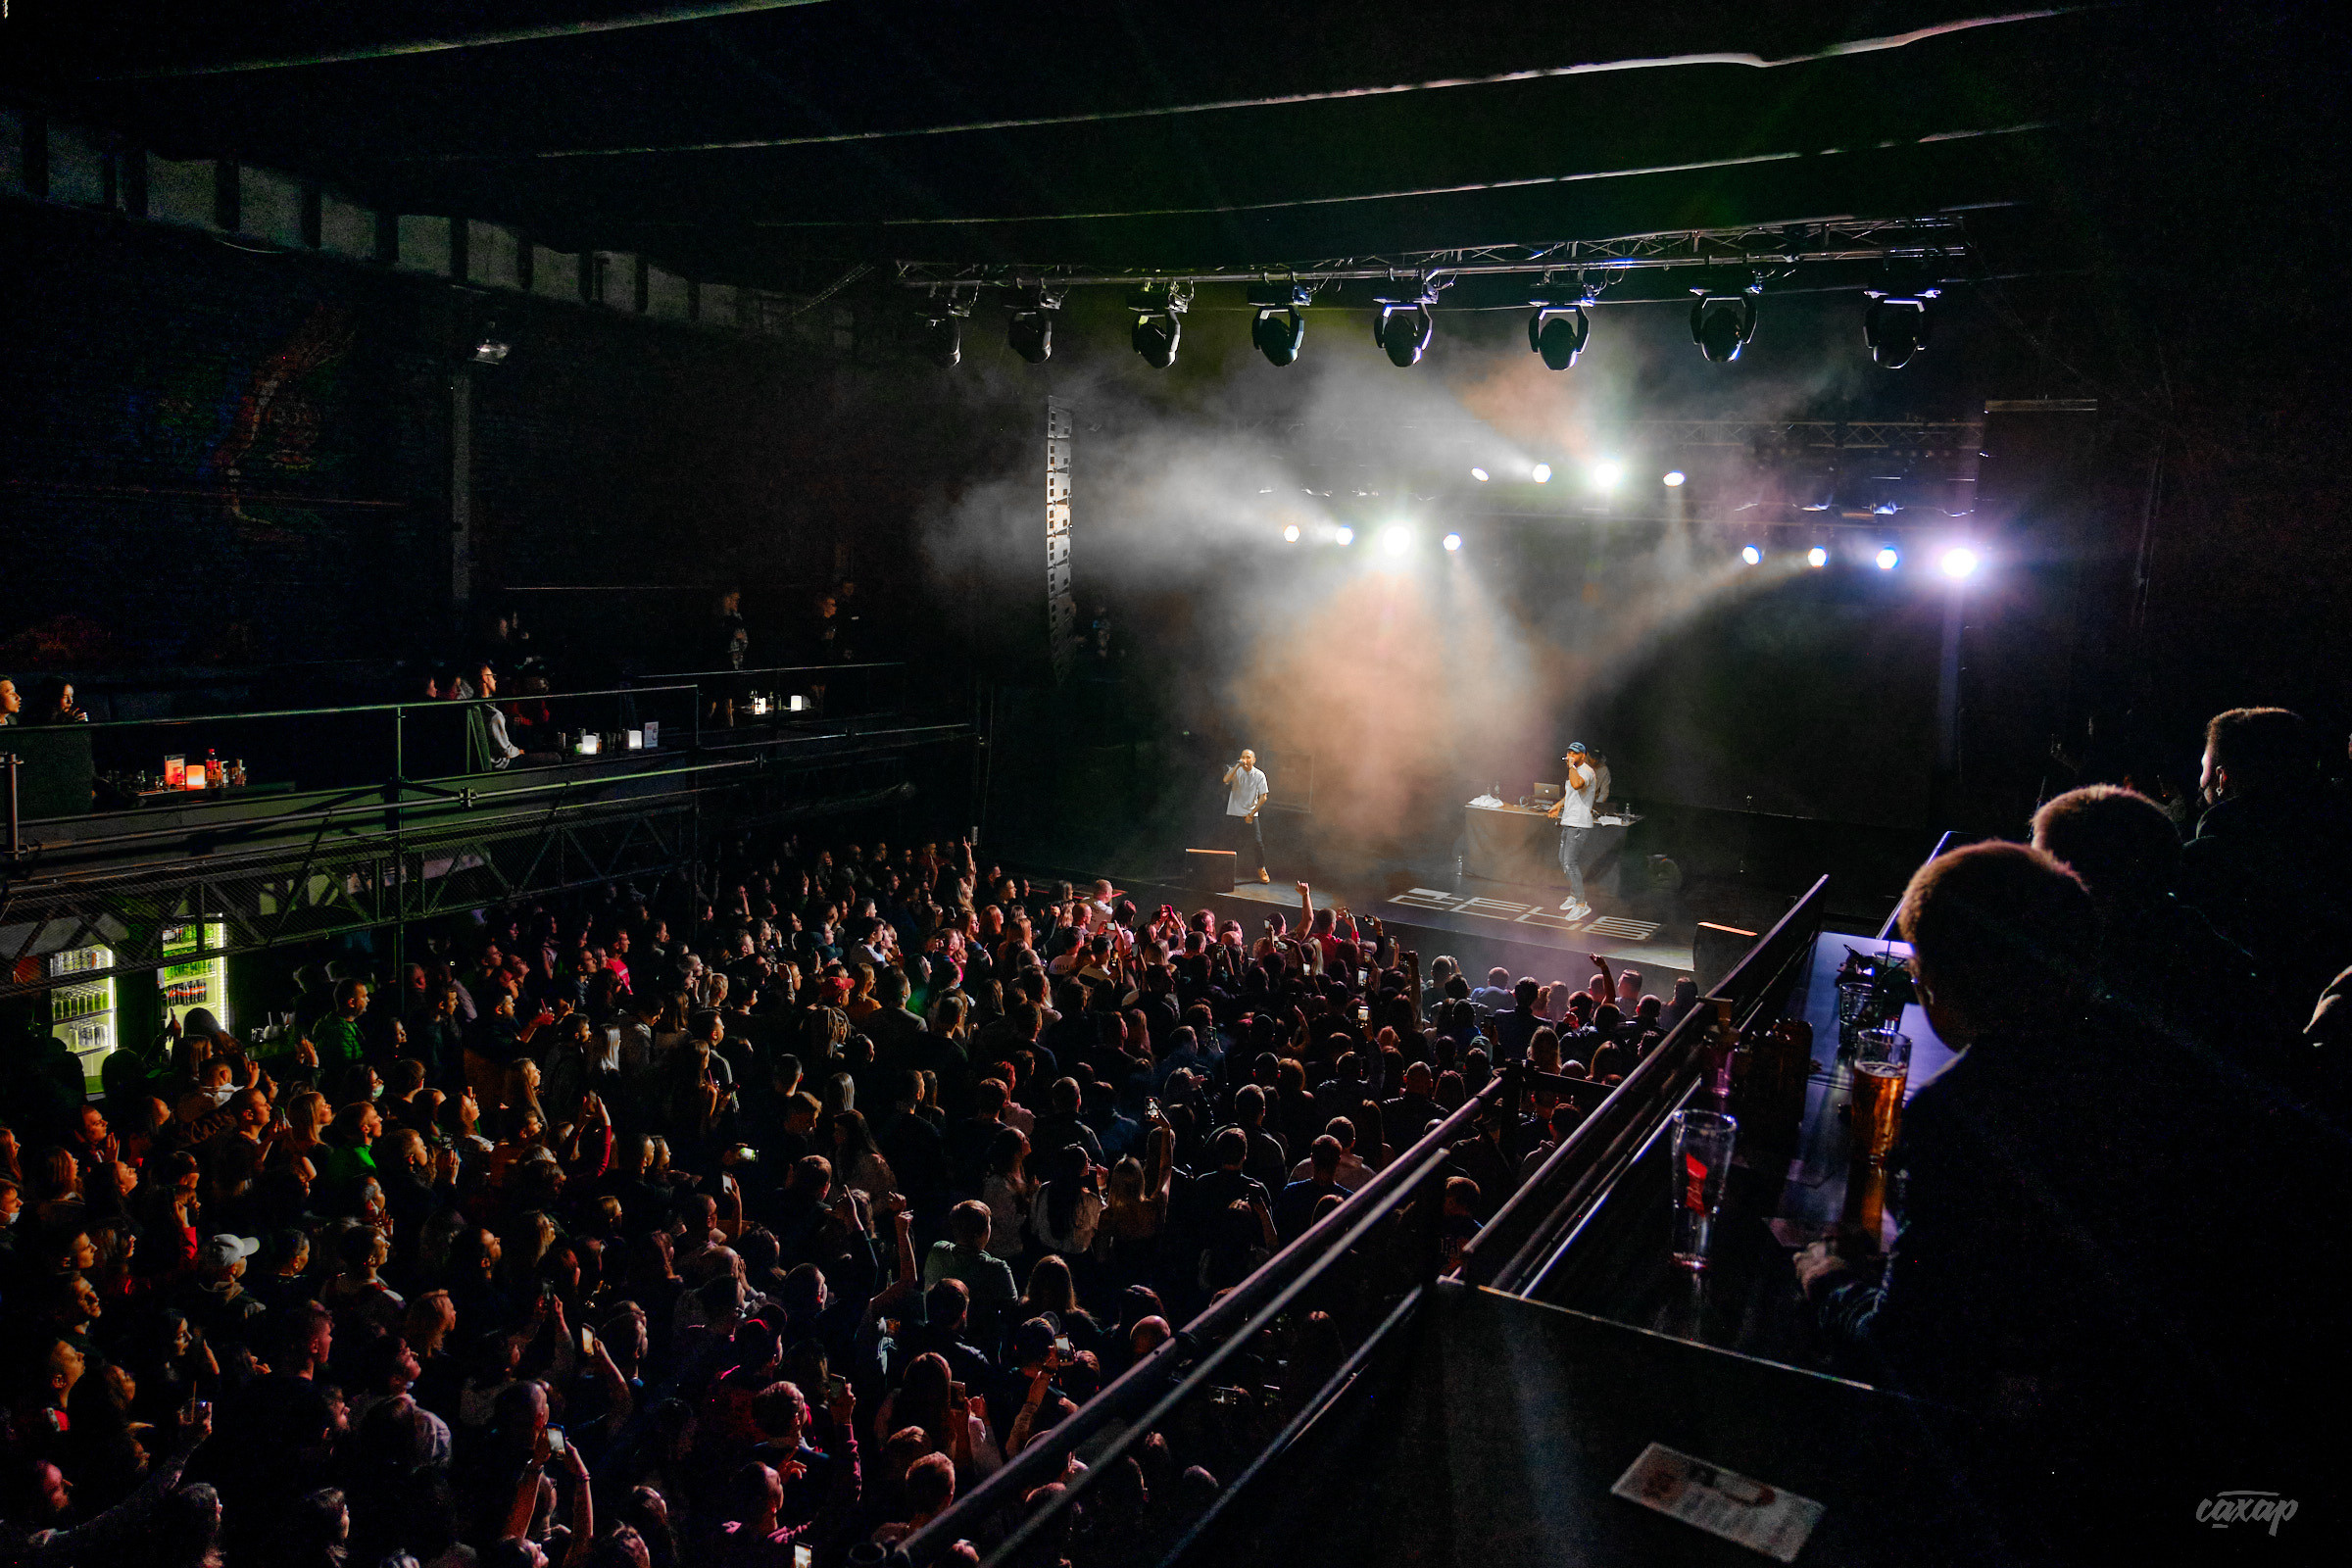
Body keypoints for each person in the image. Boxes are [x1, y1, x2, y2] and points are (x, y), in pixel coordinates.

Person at [1544, 741, 1599, 920]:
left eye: (1575, 754)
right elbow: (1571, 794)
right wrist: (1558, 806)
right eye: (1569, 753)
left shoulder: (1586, 772)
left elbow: (1577, 785)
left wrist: (1571, 766)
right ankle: (1574, 895)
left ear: (1583, 755)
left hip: (1579, 824)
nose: (1571, 756)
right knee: (1564, 861)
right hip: (1569, 821)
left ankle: (1581, 904)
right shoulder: (1574, 772)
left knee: (1570, 863)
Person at [1219, 750, 1270, 886]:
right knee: (1231, 843)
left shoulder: (1259, 775)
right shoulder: (1236, 771)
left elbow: (1263, 797)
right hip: (1234, 813)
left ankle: (1261, 869)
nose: (1245, 760)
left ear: (1254, 760)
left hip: (1250, 814)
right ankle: (1226, 871)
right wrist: (1237, 766)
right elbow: (1225, 779)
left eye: (1248, 757)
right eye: (1242, 757)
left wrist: (1251, 814)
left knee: (1257, 843)